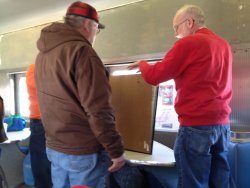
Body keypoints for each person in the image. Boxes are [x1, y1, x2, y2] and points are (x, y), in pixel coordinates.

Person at [128, 5, 233, 188]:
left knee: (193, 183)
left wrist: (143, 64)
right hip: (222, 126)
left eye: (176, 28)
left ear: (190, 22)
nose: (176, 34)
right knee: (220, 181)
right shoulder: (223, 45)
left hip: (196, 127)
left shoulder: (188, 43)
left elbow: (155, 76)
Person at [34, 1, 125, 188]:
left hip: (54, 147)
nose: (95, 35)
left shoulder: (43, 55)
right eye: (96, 29)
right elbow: (98, 109)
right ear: (88, 25)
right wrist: (115, 150)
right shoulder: (83, 52)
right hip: (82, 152)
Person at [26, 64, 52, 188]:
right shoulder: (37, 68)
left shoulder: (34, 68)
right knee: (46, 169)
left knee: (43, 168)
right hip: (44, 121)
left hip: (42, 122)